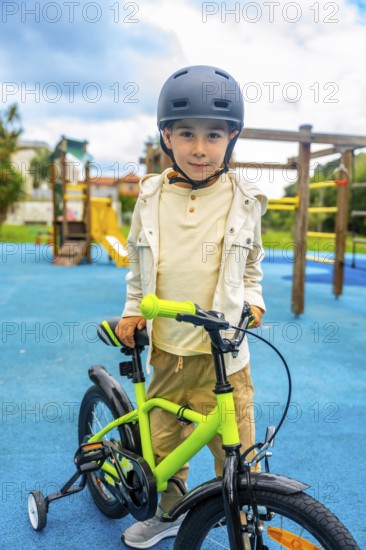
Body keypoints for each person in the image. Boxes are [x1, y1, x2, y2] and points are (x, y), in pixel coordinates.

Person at [116, 65, 267, 549]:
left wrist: (253, 301)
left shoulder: (244, 200)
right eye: (186, 133)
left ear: (232, 139)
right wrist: (133, 309)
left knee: (237, 448)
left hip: (226, 354)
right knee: (165, 441)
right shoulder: (151, 198)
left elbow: (252, 269)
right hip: (167, 350)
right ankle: (168, 512)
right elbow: (139, 269)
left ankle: (245, 522)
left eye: (213, 135)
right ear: (166, 136)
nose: (199, 147)